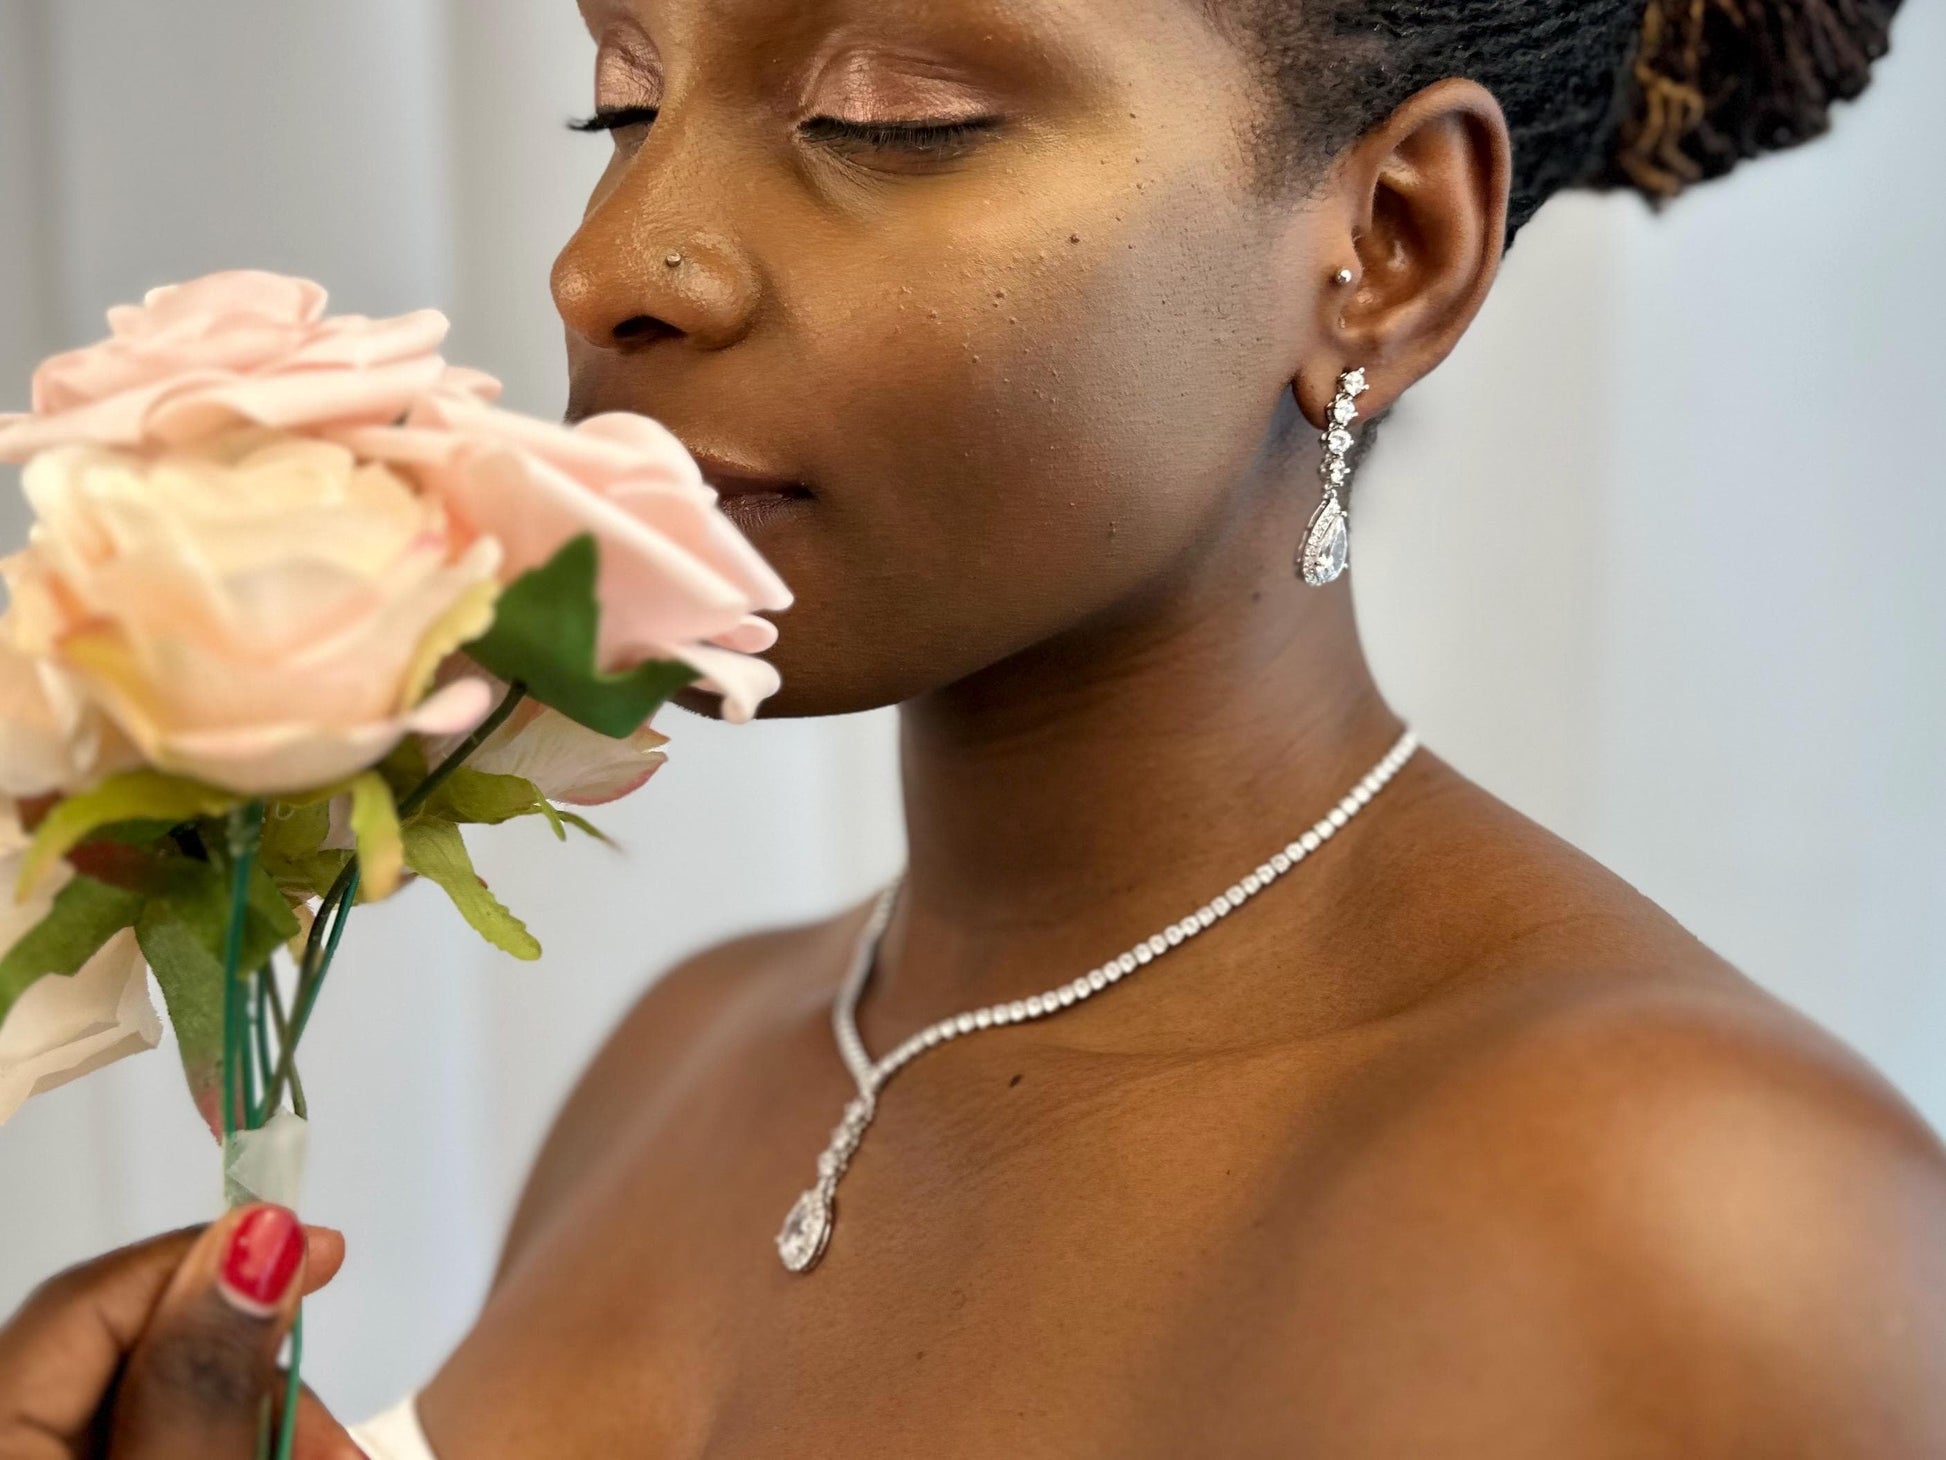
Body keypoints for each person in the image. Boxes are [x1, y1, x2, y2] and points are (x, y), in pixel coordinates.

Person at [4, 0, 1937, 1454]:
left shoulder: (1691, 1212)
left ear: (1392, 244)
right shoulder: (691, 1057)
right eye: (623, 96)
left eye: (883, 117)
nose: (608, 264)